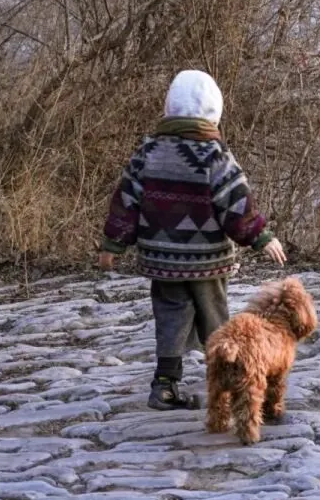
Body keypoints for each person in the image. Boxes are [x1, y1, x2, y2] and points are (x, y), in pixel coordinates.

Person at [98, 67, 286, 409]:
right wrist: (261, 236)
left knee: (170, 317)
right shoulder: (215, 156)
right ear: (214, 111)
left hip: (162, 260)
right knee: (215, 320)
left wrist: (113, 243)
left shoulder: (148, 152)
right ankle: (229, 383)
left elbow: (126, 199)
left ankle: (164, 386)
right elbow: (236, 204)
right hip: (208, 260)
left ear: (169, 106)